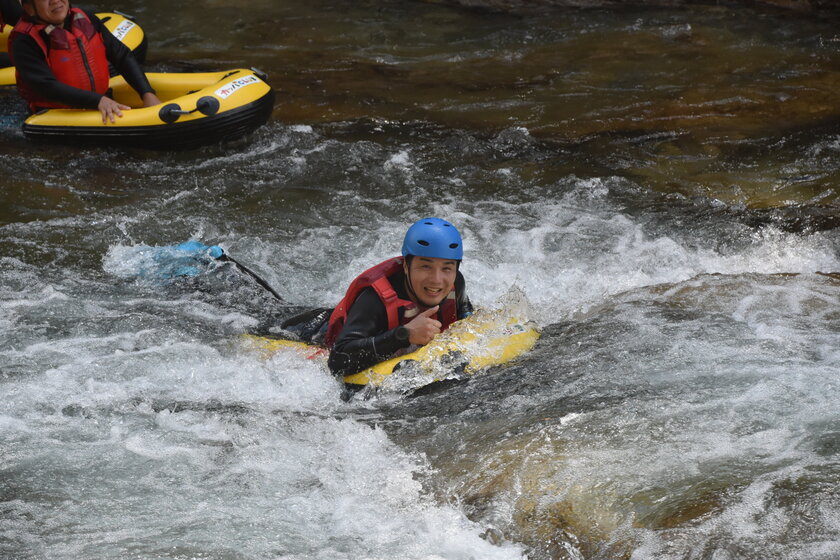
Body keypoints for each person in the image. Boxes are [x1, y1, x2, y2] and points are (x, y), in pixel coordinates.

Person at [313, 217, 474, 377]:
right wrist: (404, 335)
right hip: (315, 331)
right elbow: (337, 362)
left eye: (446, 268)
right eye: (426, 266)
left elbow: (466, 317)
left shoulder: (455, 284)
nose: (436, 280)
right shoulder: (374, 299)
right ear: (406, 266)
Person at [7, 0, 160, 123]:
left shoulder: (87, 19)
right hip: (55, 116)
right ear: (29, 8)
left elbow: (121, 55)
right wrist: (97, 101)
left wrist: (146, 92)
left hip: (99, 101)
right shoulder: (24, 42)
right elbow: (46, 86)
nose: (55, 1)